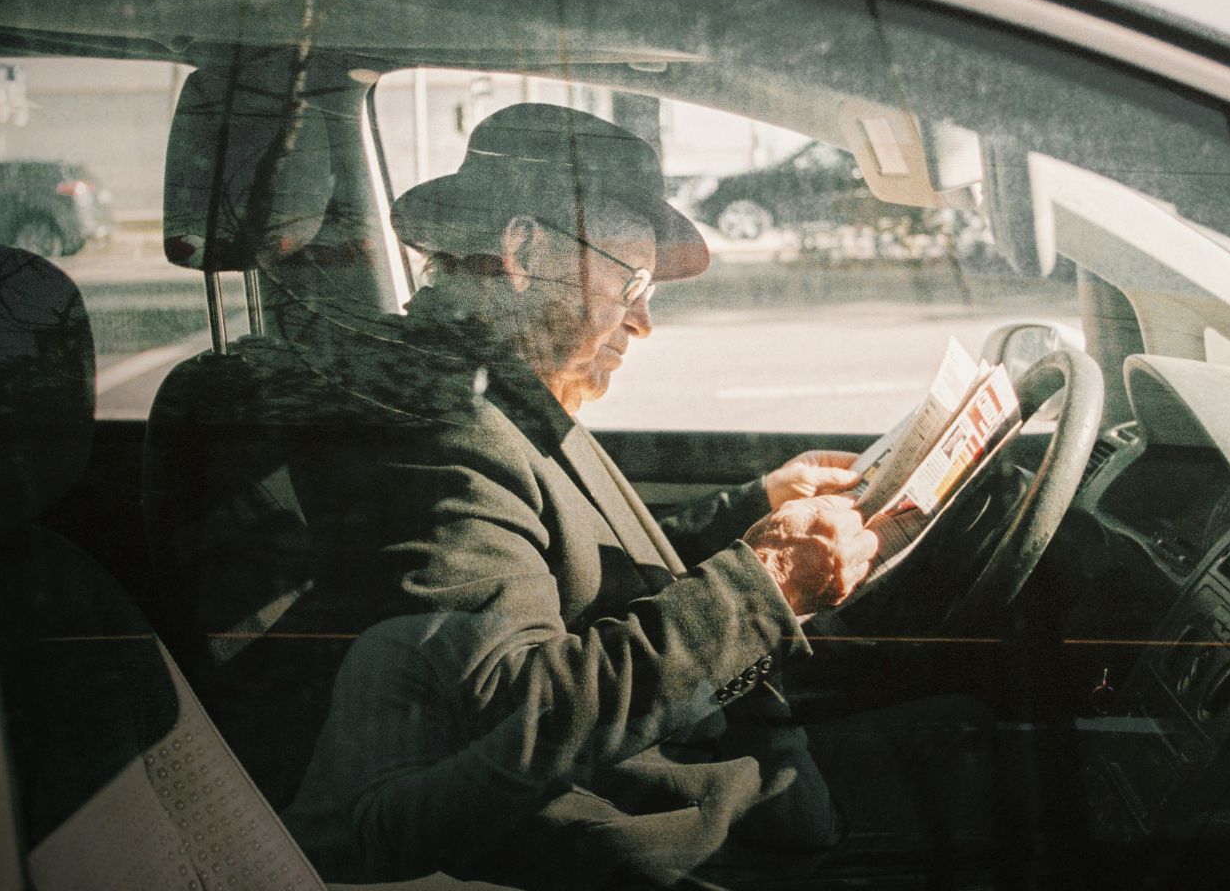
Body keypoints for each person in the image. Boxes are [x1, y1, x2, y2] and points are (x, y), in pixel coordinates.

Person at [276, 103, 883, 890]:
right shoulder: (441, 421)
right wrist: (763, 588)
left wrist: (752, 506)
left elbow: (569, 572)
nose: (644, 322)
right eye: (632, 281)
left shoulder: (493, 390)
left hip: (688, 779)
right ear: (525, 253)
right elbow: (516, 714)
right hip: (659, 836)